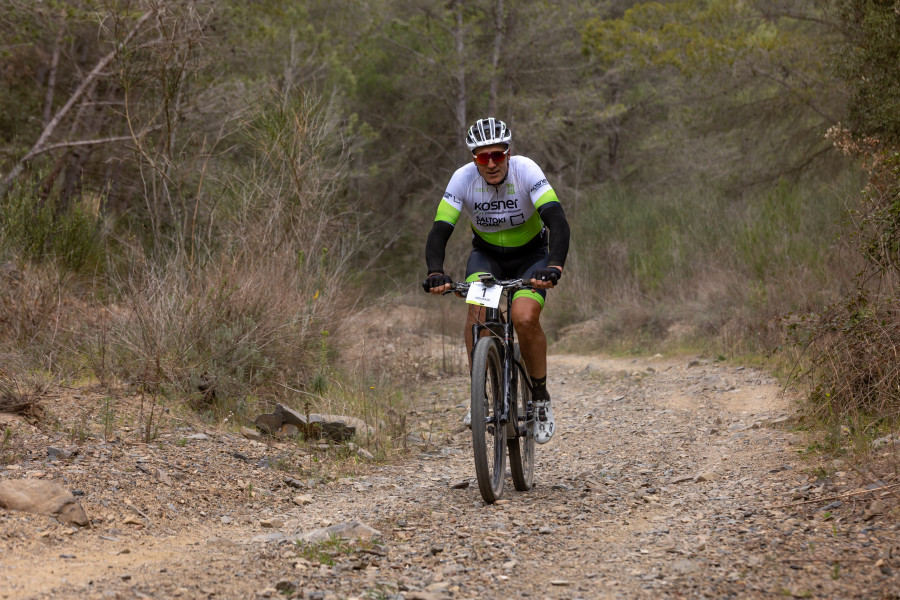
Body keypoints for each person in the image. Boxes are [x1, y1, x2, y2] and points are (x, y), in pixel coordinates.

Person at [423, 117, 570, 444]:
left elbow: (557, 221)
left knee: (523, 318)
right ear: (474, 158)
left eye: (497, 155)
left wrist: (555, 266)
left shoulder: (526, 171)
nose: (490, 163)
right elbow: (439, 232)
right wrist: (435, 271)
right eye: (482, 157)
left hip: (532, 258)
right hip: (487, 258)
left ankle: (541, 399)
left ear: (508, 152)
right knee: (477, 313)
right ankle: (481, 396)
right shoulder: (462, 179)